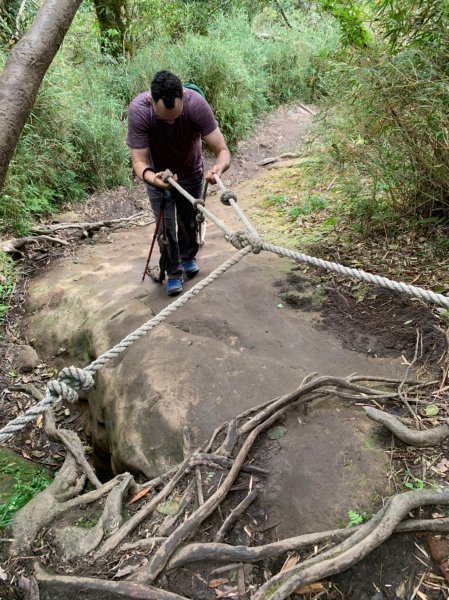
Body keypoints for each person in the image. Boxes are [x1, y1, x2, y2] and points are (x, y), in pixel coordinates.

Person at [127, 70, 231, 296]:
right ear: (151, 101)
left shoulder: (196, 105)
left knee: (188, 220)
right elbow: (138, 161)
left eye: (176, 116)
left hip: (191, 172)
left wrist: (218, 168)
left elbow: (222, 150)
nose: (172, 121)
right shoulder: (139, 111)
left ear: (183, 97)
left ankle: (188, 257)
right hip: (158, 177)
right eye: (165, 119)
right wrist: (152, 177)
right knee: (166, 228)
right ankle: (174, 272)